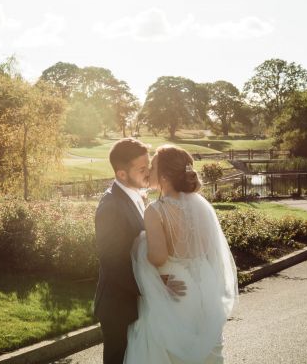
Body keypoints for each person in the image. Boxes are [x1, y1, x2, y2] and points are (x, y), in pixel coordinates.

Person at [124, 145, 238, 364]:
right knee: (203, 351)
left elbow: (158, 258)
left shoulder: (156, 210)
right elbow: (206, 249)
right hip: (204, 287)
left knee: (172, 353)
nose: (149, 169)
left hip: (174, 287)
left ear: (165, 176)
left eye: (153, 165)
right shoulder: (202, 206)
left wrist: (141, 246)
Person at [94, 138, 186, 364]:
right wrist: (157, 285)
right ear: (122, 174)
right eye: (142, 169)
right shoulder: (111, 207)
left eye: (149, 167)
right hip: (119, 307)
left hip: (137, 303)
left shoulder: (137, 196)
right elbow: (112, 263)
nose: (149, 173)